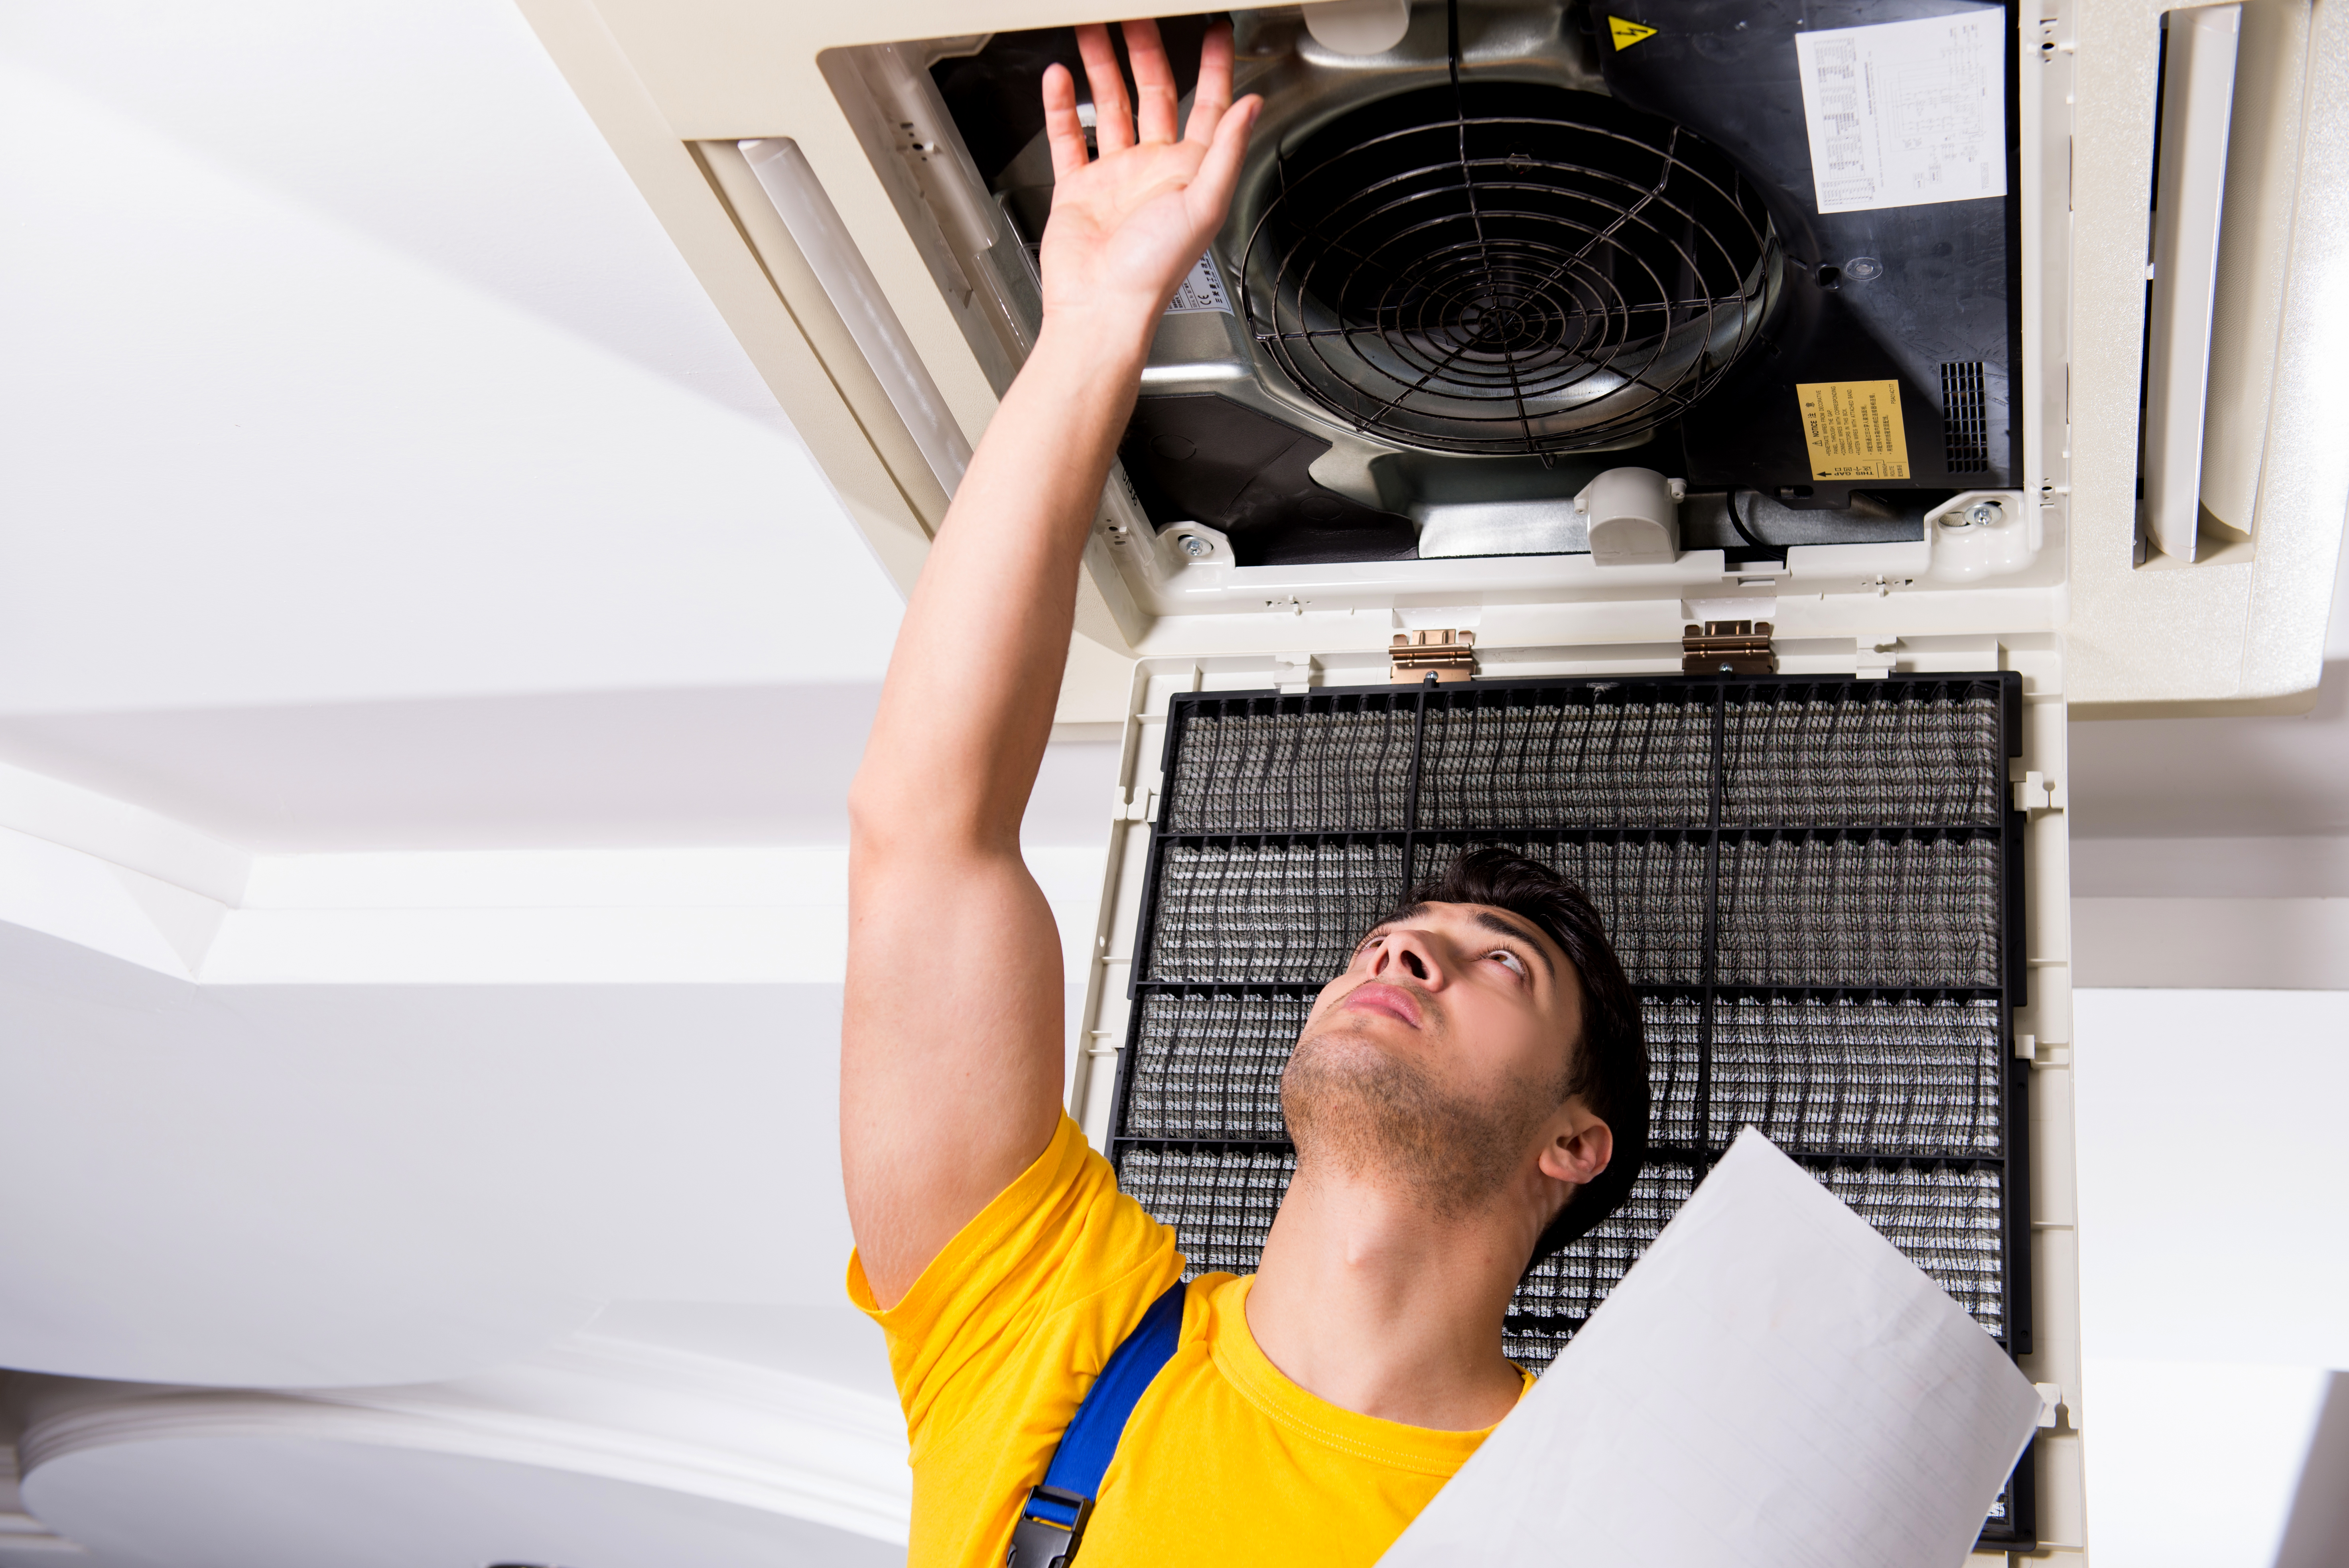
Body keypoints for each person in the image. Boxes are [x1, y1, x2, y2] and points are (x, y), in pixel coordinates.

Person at [842, 18, 1647, 1566]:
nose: (1405, 950)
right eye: (1404, 935)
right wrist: (1090, 325)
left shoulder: (1625, 1518)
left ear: (1573, 1140)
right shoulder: (1053, 1341)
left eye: (1501, 960)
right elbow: (923, 839)